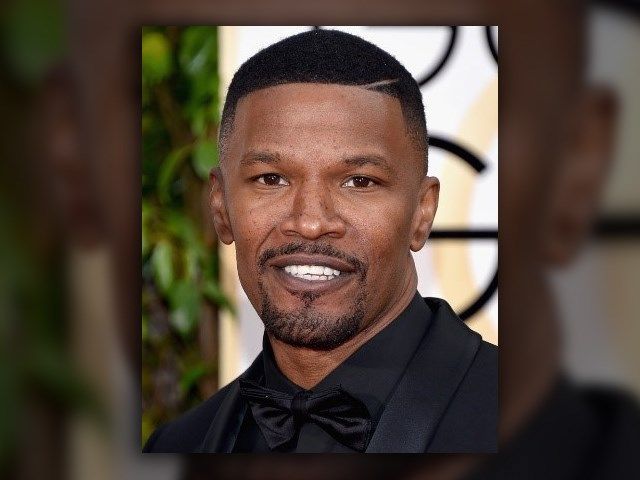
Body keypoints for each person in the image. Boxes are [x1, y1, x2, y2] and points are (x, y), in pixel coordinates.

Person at [143, 28, 497, 453]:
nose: (310, 222)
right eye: (271, 179)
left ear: (422, 212)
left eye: (359, 181)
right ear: (220, 208)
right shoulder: (177, 446)